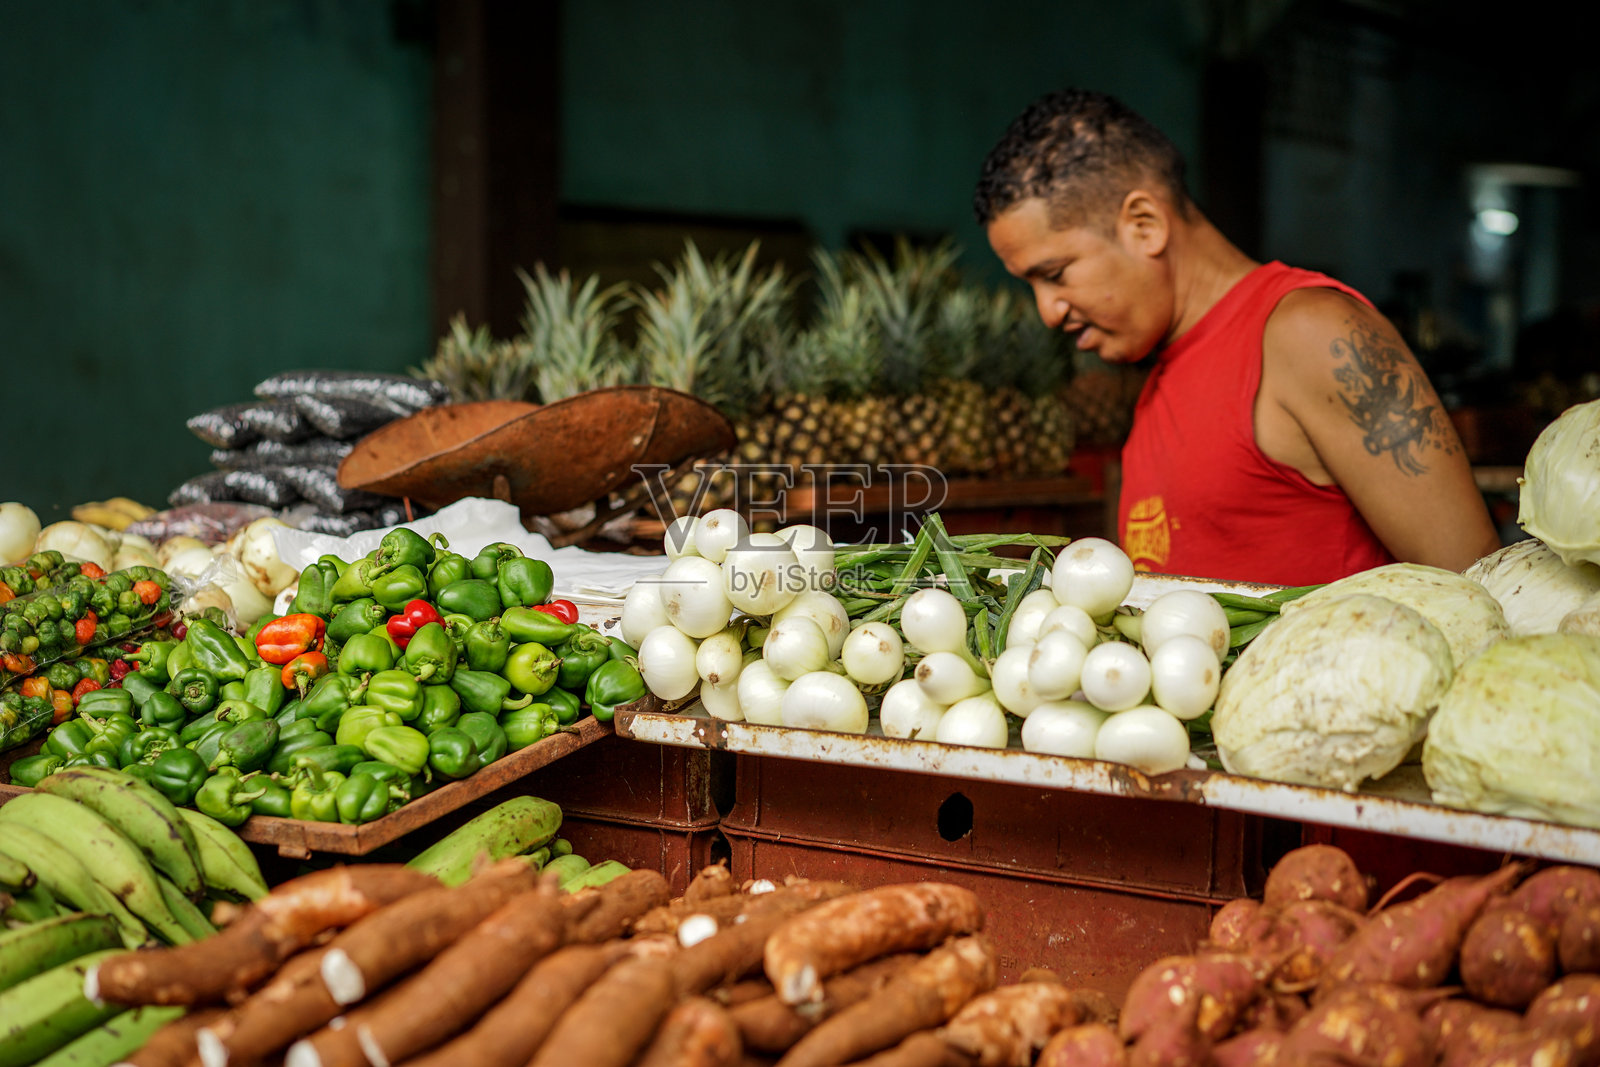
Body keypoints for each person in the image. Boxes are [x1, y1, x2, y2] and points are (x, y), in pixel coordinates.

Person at [972, 88, 1501, 584]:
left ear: (1144, 225)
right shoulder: (1160, 375)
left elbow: (1478, 588)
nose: (1047, 312)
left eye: (1056, 273)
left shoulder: (1312, 334)